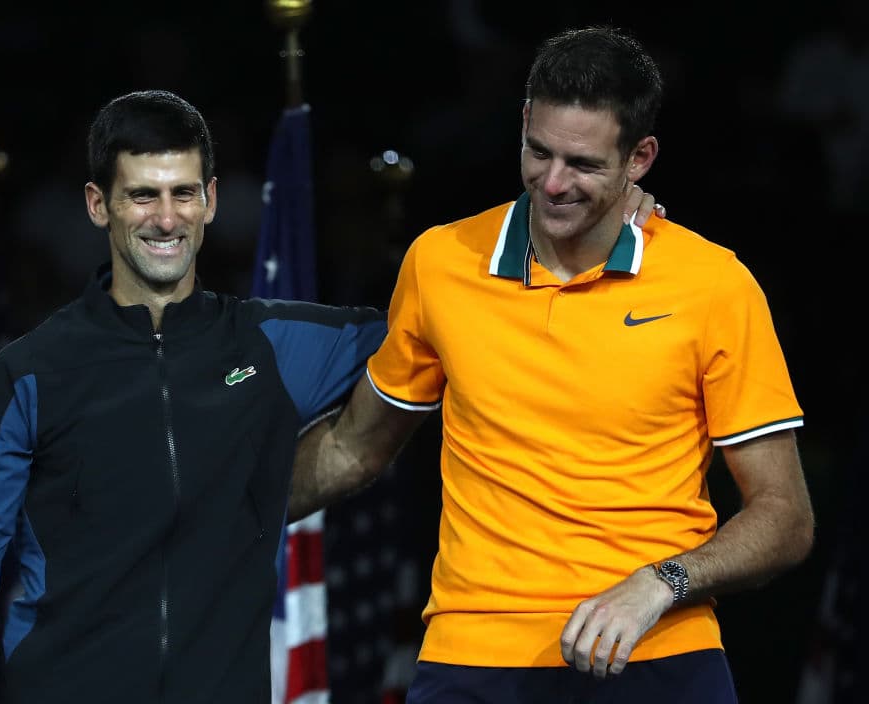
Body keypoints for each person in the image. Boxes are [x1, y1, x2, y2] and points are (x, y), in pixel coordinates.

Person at [289, 25, 814, 703]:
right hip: (473, 656)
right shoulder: (440, 263)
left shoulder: (714, 285)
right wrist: (207, 507)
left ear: (640, 157)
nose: (554, 182)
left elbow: (786, 517)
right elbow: (351, 449)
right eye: (538, 153)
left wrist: (661, 582)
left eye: (585, 164)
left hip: (658, 650)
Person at [0, 89, 394, 704]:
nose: (166, 219)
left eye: (183, 193)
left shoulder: (269, 346)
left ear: (211, 200)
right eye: (142, 195)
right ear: (98, 205)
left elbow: (431, 327)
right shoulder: (22, 381)